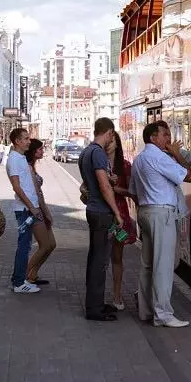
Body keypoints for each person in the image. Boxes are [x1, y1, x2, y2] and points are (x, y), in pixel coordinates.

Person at [129, 120, 191, 328]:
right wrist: (177, 154)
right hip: (162, 213)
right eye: (165, 134)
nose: (169, 138)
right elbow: (189, 176)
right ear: (153, 138)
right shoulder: (159, 157)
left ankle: (146, 310)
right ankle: (163, 314)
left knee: (148, 264)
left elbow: (133, 191)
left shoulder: (139, 159)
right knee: (163, 266)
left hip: (145, 211)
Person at [78, 117, 124, 321]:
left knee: (95, 259)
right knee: (100, 262)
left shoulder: (86, 152)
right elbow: (104, 187)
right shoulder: (98, 153)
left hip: (92, 209)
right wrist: (117, 212)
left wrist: (107, 179)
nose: (111, 140)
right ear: (110, 133)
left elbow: (90, 182)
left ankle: (95, 302)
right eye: (112, 136)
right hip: (101, 212)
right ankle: (95, 308)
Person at [6, 127, 42, 293]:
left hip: (28, 208)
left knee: (26, 246)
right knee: (23, 246)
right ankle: (19, 283)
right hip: (24, 209)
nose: (29, 141)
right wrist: (31, 207)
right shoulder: (14, 159)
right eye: (26, 138)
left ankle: (19, 279)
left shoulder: (20, 158)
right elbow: (17, 187)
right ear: (17, 141)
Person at [105, 131, 137, 310]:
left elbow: (132, 192)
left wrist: (116, 189)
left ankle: (117, 296)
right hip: (102, 213)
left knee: (117, 255)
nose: (108, 144)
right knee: (100, 255)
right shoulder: (98, 163)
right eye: (107, 141)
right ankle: (98, 293)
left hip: (119, 216)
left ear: (117, 144)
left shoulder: (125, 165)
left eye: (112, 141)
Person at [23, 138, 57, 285]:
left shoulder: (32, 166)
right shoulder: (28, 168)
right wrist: (46, 212)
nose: (43, 151)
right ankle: (22, 276)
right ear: (33, 151)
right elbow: (37, 193)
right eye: (40, 149)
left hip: (40, 209)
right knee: (44, 245)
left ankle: (33, 274)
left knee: (51, 244)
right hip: (35, 210)